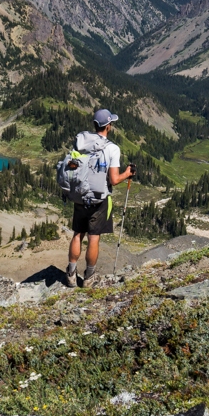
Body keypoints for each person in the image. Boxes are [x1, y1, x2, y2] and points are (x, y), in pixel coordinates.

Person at [66, 109, 135, 287]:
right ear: (108, 126)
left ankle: (71, 273)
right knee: (94, 236)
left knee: (77, 234)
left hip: (80, 196)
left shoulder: (81, 143)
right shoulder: (112, 148)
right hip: (98, 199)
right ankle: (89, 277)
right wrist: (127, 174)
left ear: (95, 125)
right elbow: (113, 179)